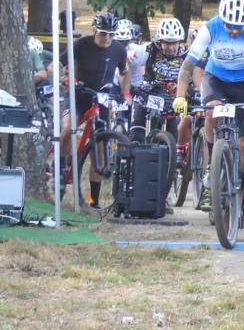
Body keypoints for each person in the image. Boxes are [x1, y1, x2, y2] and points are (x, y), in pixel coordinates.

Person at [174, 0, 244, 226]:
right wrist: (180, 96)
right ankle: (211, 166)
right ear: (222, 19)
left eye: (240, 26)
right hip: (215, 79)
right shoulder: (210, 28)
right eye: (230, 26)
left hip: (243, 83)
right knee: (212, 112)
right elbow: (188, 66)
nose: (235, 31)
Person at [60, 12, 130, 207]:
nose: (107, 37)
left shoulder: (118, 50)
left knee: (99, 149)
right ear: (93, 30)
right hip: (78, 95)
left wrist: (125, 93)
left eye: (110, 34)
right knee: (68, 127)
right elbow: (58, 64)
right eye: (102, 33)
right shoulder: (81, 45)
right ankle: (60, 165)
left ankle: (94, 201)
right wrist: (65, 79)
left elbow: (125, 72)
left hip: (101, 99)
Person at [127, 17, 191, 153]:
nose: (171, 48)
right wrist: (128, 54)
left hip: (170, 103)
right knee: (136, 136)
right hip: (146, 97)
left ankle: (170, 169)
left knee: (171, 143)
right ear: (160, 41)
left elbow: (196, 73)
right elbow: (131, 53)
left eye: (174, 43)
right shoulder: (150, 50)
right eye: (167, 43)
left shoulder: (186, 54)